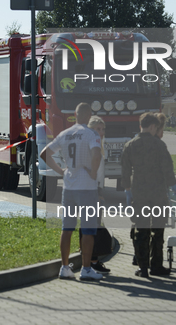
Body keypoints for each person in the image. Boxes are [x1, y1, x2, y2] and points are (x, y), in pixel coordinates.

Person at [40, 103, 103, 281]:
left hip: (69, 187)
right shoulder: (92, 134)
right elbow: (96, 155)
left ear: (75, 114)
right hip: (87, 187)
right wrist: (93, 173)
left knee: (66, 229)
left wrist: (61, 171)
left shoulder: (65, 134)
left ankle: (65, 267)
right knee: (88, 229)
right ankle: (86, 268)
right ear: (89, 115)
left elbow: (45, 153)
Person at [121, 112, 176, 278]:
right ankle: (157, 265)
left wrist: (128, 190)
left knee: (141, 231)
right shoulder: (159, 145)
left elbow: (125, 171)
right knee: (157, 230)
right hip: (158, 194)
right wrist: (173, 186)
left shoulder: (130, 145)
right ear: (153, 127)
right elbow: (168, 168)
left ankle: (143, 267)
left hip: (139, 194)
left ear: (141, 125)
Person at [85, 116, 111, 274]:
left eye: (102, 129)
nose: (101, 132)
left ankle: (93, 261)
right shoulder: (88, 146)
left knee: (95, 225)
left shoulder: (99, 145)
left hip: (97, 189)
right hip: (90, 190)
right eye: (97, 129)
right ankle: (91, 262)